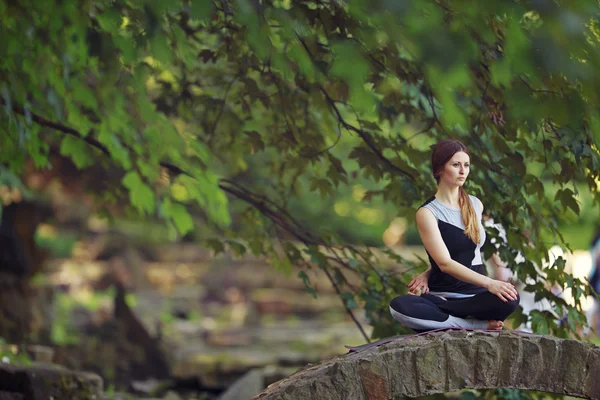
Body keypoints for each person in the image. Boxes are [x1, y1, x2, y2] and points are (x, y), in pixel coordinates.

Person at [389, 139, 520, 331]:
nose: (463, 171)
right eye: (456, 165)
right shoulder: (428, 213)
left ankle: (444, 315)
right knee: (399, 307)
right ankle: (472, 324)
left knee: (510, 299)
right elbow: (444, 262)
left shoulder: (475, 204)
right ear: (439, 169)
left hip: (473, 296)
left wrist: (427, 272)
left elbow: (468, 251)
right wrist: (491, 283)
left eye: (466, 165)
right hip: (443, 292)